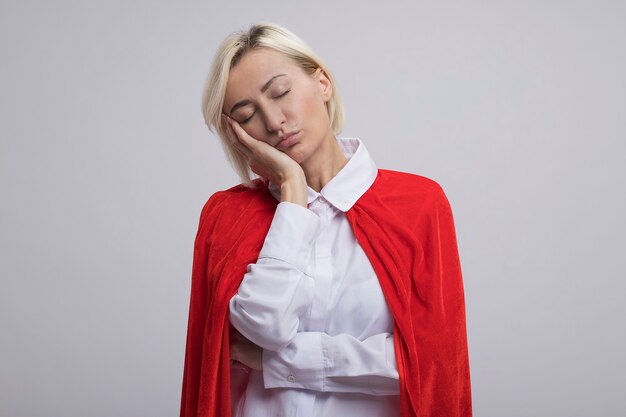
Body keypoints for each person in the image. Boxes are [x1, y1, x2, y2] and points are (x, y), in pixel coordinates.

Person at [180, 22, 472, 417]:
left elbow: (428, 365)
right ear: (237, 136)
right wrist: (292, 189)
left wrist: (273, 362)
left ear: (323, 83)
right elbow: (262, 327)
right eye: (247, 115)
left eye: (281, 93)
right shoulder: (227, 217)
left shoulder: (419, 204)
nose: (273, 121)